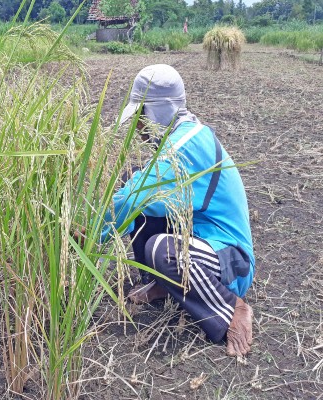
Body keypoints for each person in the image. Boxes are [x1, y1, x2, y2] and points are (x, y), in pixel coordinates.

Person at [100, 64, 254, 357]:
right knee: (134, 177)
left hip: (231, 260)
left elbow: (132, 198)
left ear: (154, 112)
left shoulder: (188, 142)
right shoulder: (178, 139)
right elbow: (140, 190)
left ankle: (233, 307)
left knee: (164, 249)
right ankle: (162, 283)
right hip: (201, 243)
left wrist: (93, 233)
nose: (139, 128)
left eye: (140, 118)